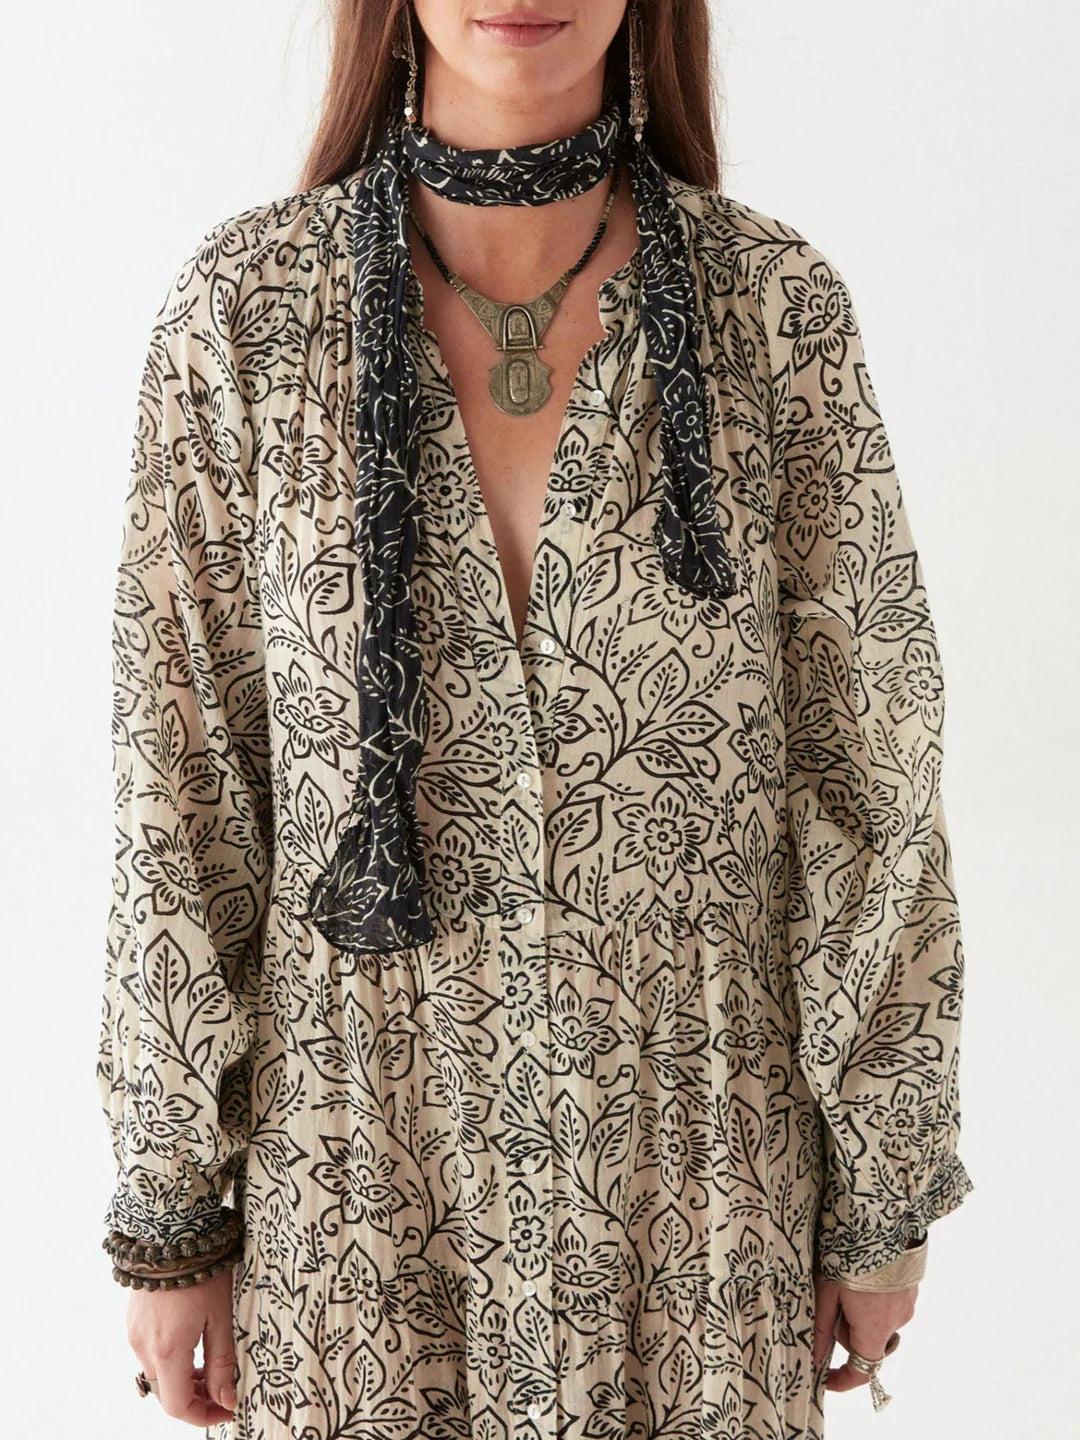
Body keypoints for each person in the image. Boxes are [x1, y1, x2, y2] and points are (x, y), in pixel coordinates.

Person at [96, 2, 975, 1436]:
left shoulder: (771, 309)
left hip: (702, 1189)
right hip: (357, 1187)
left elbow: (870, 770)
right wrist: (171, 1209)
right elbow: (179, 780)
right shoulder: (245, 314)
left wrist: (882, 1191)